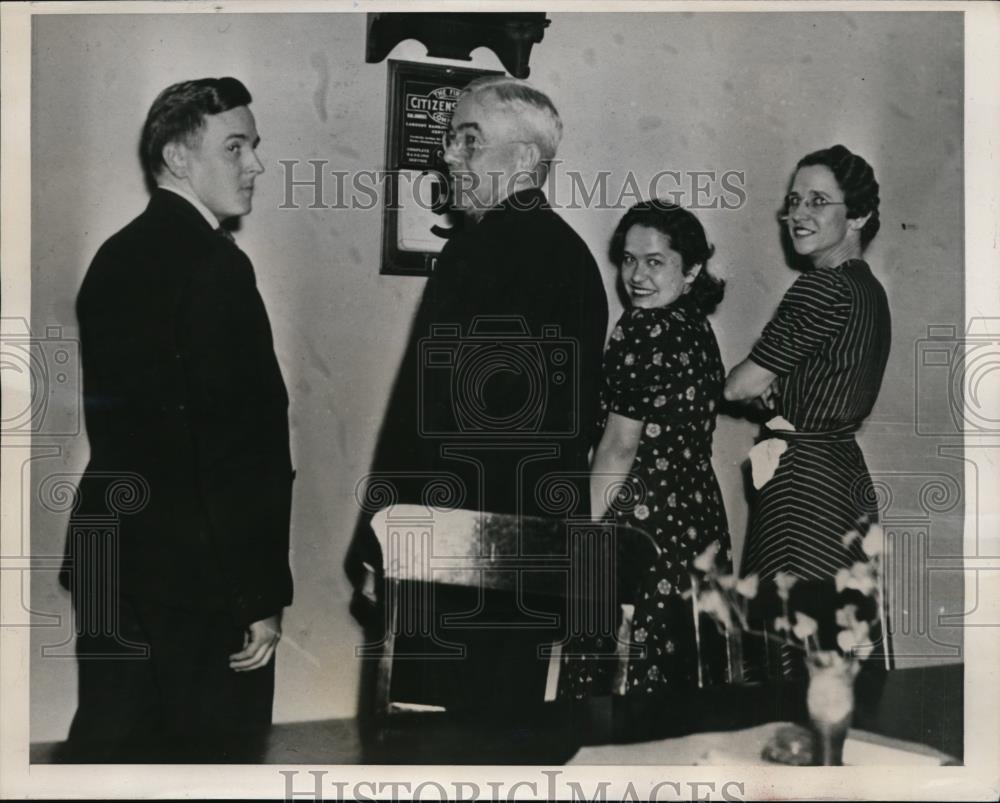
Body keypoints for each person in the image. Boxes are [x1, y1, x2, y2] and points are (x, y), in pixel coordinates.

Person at [345, 76, 608, 717]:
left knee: (424, 752)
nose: (448, 155)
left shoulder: (475, 252)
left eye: (469, 140)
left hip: (448, 560)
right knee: (502, 743)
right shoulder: (577, 262)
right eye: (450, 138)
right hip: (530, 563)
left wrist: (380, 537)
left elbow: (426, 421)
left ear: (523, 161)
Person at [58, 77, 293, 762]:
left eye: (254, 147)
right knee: (213, 763)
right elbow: (236, 450)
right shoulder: (218, 266)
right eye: (236, 147)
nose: (255, 165)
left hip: (113, 556)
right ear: (178, 157)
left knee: (110, 750)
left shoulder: (114, 256)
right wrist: (258, 592)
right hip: (201, 574)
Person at [724, 145, 890, 675]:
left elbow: (738, 386)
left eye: (819, 201)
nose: (799, 213)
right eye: (795, 200)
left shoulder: (820, 288)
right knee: (838, 641)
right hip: (843, 478)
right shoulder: (868, 290)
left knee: (786, 648)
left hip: (802, 486)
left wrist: (761, 391)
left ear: (858, 215)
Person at [558, 200, 732, 698]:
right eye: (629, 259)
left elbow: (617, 448)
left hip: (640, 523)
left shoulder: (642, 329)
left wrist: (581, 543)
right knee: (684, 677)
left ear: (692, 268)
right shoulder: (698, 328)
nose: (636, 275)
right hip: (698, 521)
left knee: (616, 681)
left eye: (655, 262)